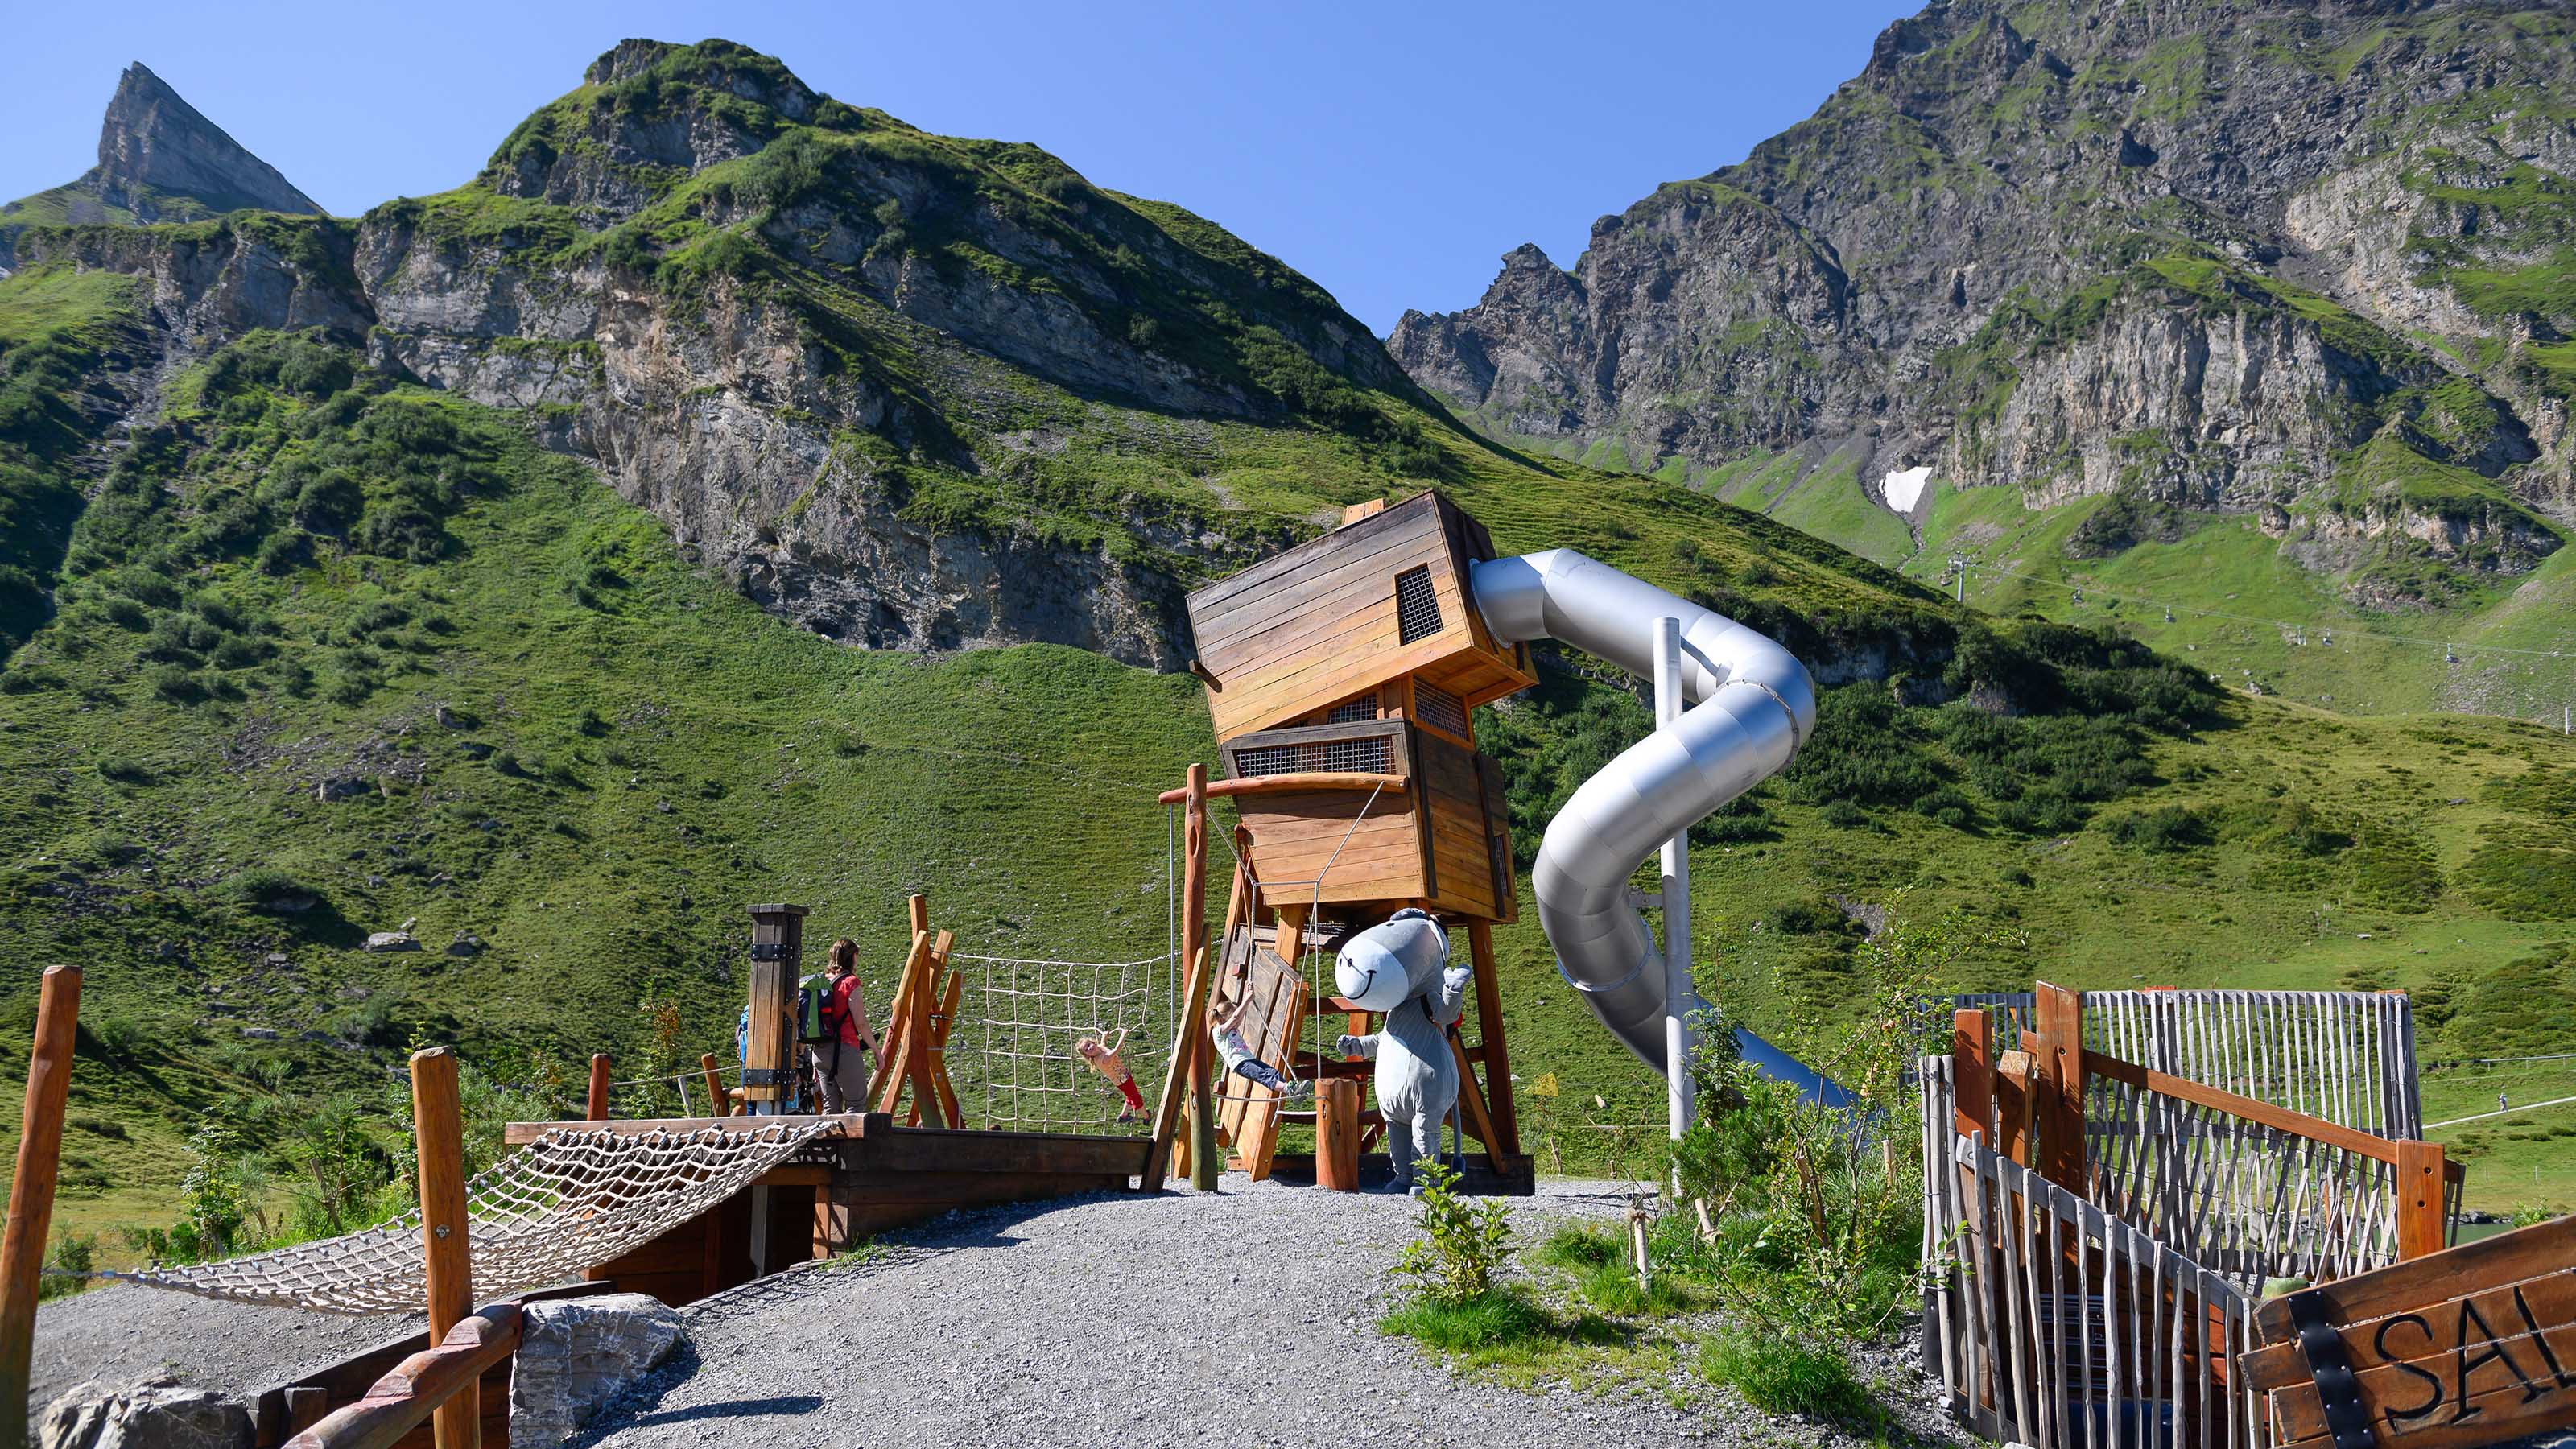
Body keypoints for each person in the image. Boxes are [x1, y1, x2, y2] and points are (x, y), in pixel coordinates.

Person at [808, 937, 881, 1113]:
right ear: (853, 956)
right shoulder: (851, 983)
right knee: (856, 1106)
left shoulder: (821, 982)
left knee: (830, 1109)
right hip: (845, 1051)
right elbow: (861, 1023)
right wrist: (876, 1050)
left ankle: (831, 1141)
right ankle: (853, 1142)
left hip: (819, 1052)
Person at [1209, 992, 1311, 1104]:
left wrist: (1248, 999)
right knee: (1264, 1076)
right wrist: (1247, 999)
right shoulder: (1218, 1032)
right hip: (1240, 1064)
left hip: (1248, 1060)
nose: (1235, 1022)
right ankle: (1288, 1089)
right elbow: (1235, 1017)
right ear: (1222, 1019)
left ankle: (1293, 1092)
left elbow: (1238, 1017)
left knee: (1272, 1072)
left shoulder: (1230, 1028)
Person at [1074, 1027, 1147, 1121]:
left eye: (1089, 1045)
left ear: (1093, 1042)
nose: (1090, 1048)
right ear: (1088, 1055)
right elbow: (1117, 1049)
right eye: (1087, 1050)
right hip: (1122, 1080)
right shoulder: (1101, 1059)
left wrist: (1104, 1037)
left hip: (1124, 1076)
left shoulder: (1099, 1048)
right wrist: (1123, 1034)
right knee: (1136, 1098)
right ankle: (1147, 1117)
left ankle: (1123, 1116)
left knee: (1130, 1095)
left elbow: (1103, 1045)